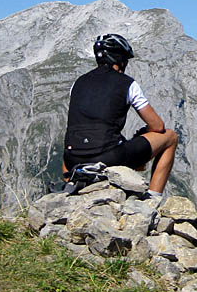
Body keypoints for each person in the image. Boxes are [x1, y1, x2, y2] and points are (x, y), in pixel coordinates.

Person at [62, 33, 178, 198]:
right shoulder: (127, 83)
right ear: (120, 60)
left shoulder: (77, 83)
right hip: (108, 156)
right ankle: (153, 198)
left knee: (72, 141)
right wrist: (144, 132)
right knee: (171, 137)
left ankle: (70, 185)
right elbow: (158, 126)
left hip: (72, 160)